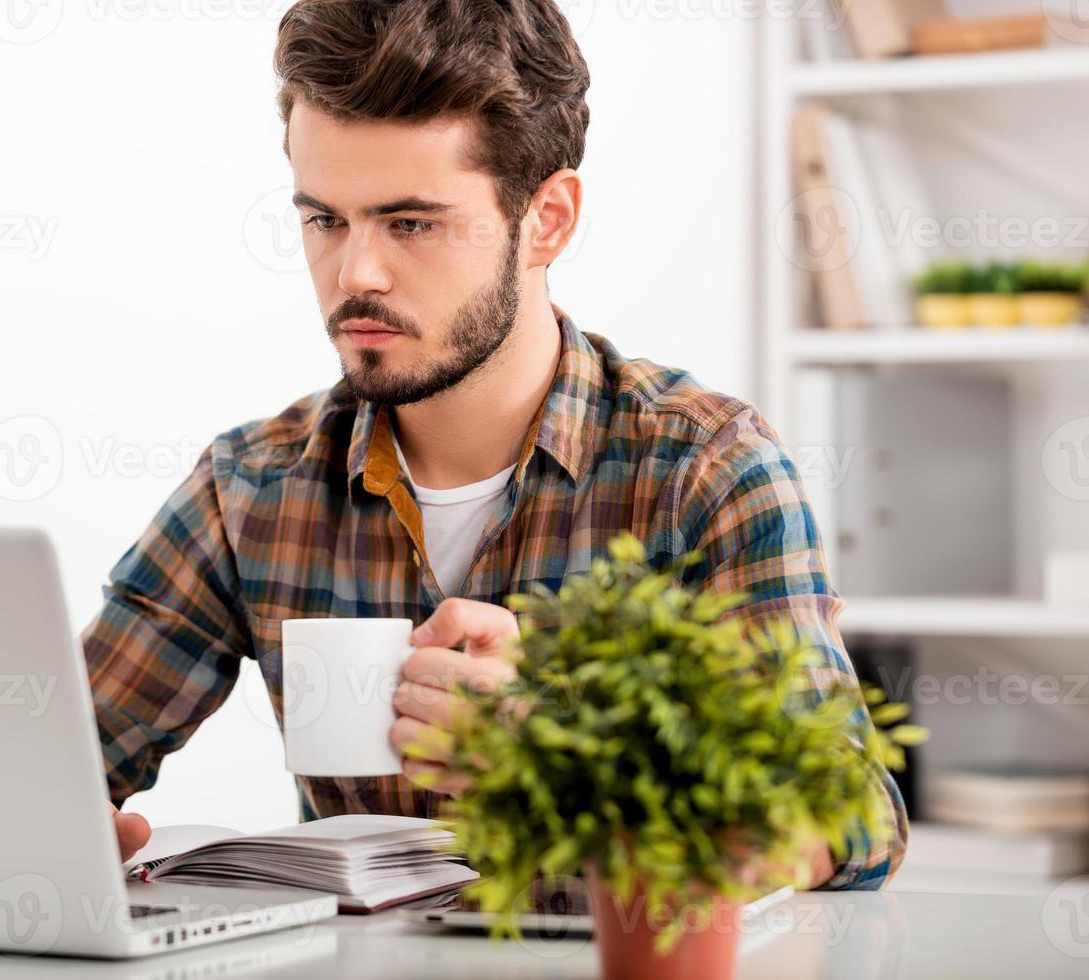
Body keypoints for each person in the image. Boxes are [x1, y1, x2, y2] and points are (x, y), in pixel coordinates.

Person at [85, 0, 906, 890]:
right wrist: (54, 828)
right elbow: (59, 760)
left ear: (546, 219)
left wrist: (572, 753)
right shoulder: (251, 486)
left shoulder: (702, 468)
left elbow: (846, 816)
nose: (355, 273)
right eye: (324, 219)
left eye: (411, 223)